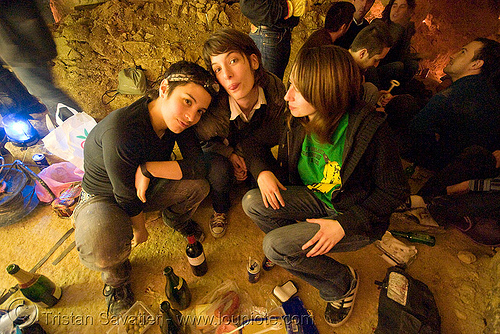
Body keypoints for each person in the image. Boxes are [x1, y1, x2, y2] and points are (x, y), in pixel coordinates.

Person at [242, 45, 409, 327]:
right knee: (251, 201)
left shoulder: (371, 131)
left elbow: (394, 191)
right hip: (313, 198)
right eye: (291, 83)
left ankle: (342, 284)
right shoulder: (296, 117)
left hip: (351, 215)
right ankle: (295, 252)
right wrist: (262, 173)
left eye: (299, 89)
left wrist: (343, 224)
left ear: (326, 95)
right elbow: (251, 142)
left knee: (274, 246)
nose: (287, 95)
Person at [73, 61, 218, 315]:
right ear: (164, 89)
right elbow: (125, 196)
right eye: (187, 101)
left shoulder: (179, 123)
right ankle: (117, 281)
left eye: (200, 111)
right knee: (102, 243)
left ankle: (175, 220)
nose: (191, 116)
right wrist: (139, 229)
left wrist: (149, 169)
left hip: (144, 187)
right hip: (104, 196)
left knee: (198, 186)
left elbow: (198, 166)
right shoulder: (122, 131)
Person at [195, 28, 287, 239]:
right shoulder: (215, 108)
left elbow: (275, 132)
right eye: (217, 69)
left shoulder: (273, 89)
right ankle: (220, 208)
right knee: (219, 172)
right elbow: (200, 142)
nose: (227, 75)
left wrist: (255, 163)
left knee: (271, 183)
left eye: (233, 61)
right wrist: (228, 153)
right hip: (224, 150)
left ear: (253, 61)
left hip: (256, 147)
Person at [406, 38, 500, 171]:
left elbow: (418, 128)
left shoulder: (452, 95)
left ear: (476, 64)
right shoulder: (487, 93)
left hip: (441, 168)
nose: (453, 55)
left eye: (463, 52)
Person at [0, 0, 82, 120]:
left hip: (24, 46)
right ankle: (74, 127)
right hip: (22, 46)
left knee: (46, 92)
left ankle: (81, 129)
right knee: (43, 91)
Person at [240, 0, 310, 80]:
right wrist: (288, 8)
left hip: (276, 36)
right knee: (267, 87)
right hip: (267, 37)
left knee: (273, 85)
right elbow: (250, 5)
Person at [366, 0, 418, 89]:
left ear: (408, 11)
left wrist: (419, 56)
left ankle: (396, 92)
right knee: (397, 66)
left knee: (413, 65)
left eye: (402, 7)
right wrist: (398, 27)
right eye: (394, 6)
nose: (396, 10)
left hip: (393, 64)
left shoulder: (405, 29)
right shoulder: (378, 24)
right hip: (375, 66)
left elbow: (404, 55)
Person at [348, 23, 393, 106]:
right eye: (376, 60)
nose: (376, 65)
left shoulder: (353, 66)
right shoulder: (344, 74)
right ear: (362, 53)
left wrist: (377, 96)